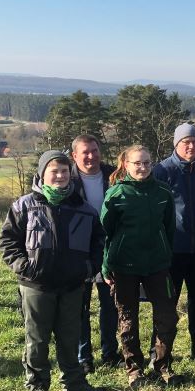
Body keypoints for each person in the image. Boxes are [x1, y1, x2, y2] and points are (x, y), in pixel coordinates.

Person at [0, 150, 103, 391]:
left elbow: (98, 245)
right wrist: (25, 267)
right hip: (36, 286)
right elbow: (8, 242)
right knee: (37, 339)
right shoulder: (24, 206)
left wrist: (88, 268)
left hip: (72, 286)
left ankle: (74, 382)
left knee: (70, 336)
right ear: (42, 174)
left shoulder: (84, 209)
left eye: (65, 171)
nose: (60, 176)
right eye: (54, 171)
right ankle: (38, 387)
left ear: (71, 174)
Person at [100, 145, 181, 389]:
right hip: (124, 265)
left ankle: (162, 365)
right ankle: (134, 368)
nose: (143, 167)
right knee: (128, 319)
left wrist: (165, 253)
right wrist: (106, 266)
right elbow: (107, 233)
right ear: (126, 164)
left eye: (147, 162)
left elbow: (169, 228)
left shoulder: (163, 192)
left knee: (166, 317)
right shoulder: (116, 194)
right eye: (137, 163)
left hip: (157, 264)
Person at [152, 123, 195, 359]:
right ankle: (160, 352)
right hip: (172, 250)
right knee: (166, 305)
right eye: (185, 142)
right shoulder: (162, 171)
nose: (191, 146)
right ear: (176, 144)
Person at [70, 134, 121, 372]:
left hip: (108, 249)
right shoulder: (66, 179)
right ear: (74, 156)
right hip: (77, 251)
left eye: (94, 150)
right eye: (85, 152)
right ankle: (84, 358)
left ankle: (110, 353)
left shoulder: (114, 175)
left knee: (109, 305)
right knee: (80, 307)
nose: (91, 156)